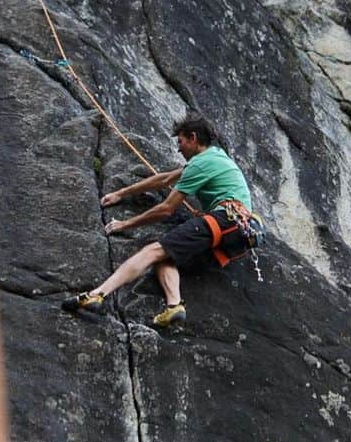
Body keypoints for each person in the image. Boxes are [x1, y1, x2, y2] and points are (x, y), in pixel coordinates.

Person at [61, 114, 258, 328]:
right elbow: (164, 179)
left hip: (224, 220)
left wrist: (125, 224)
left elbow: (166, 209)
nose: (179, 149)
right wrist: (122, 193)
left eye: (181, 142)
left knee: (152, 250)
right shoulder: (216, 157)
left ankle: (98, 294)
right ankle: (174, 306)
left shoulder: (201, 163)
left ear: (193, 138)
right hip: (240, 236)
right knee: (167, 256)